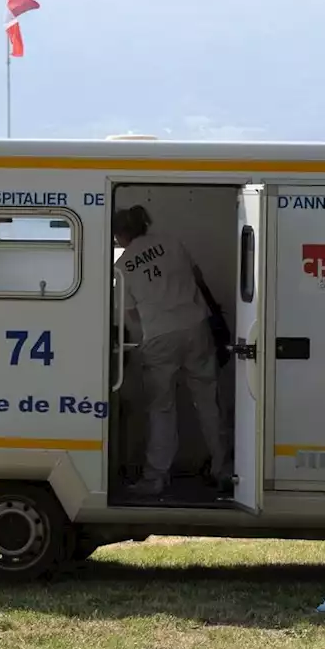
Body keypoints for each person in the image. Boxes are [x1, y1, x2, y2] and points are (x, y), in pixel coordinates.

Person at [113, 206, 229, 496]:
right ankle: (223, 468)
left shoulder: (123, 264)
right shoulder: (172, 243)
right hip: (195, 326)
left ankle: (156, 477)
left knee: (161, 408)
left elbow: (133, 315)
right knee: (207, 400)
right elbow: (199, 280)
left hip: (160, 336)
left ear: (118, 233)